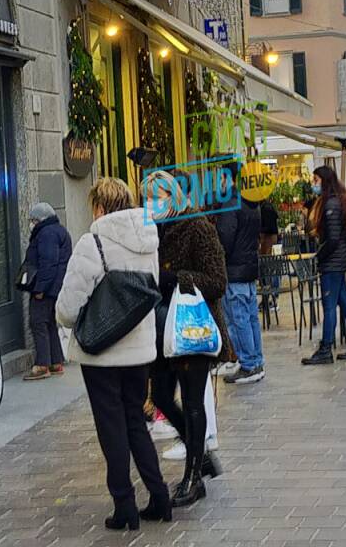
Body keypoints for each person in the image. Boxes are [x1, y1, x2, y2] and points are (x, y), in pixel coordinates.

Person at [56, 178, 170, 530]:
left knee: (112, 428)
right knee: (136, 421)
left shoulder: (93, 242)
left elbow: (68, 306)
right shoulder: (148, 241)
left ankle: (125, 506)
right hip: (140, 351)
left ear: (99, 208)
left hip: (103, 353)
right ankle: (160, 496)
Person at [144, 169, 233, 508]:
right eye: (148, 197)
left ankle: (193, 477)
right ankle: (202, 457)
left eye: (157, 196)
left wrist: (172, 278)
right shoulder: (153, 230)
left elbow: (217, 281)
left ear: (173, 197)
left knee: (194, 402)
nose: (151, 204)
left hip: (194, 328)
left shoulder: (197, 227)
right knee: (163, 397)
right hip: (164, 331)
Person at [301, 165, 346, 365]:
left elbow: (331, 238)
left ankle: (325, 348)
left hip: (332, 262)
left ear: (324, 180)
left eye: (316, 180)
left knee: (329, 306)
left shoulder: (331, 204)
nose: (313, 184)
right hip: (340, 260)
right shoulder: (340, 200)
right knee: (344, 302)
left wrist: (319, 256)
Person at [215, 166, 265, 385]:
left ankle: (248, 365)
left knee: (238, 319)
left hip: (234, 270)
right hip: (249, 269)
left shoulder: (230, 204)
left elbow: (224, 238)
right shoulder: (252, 203)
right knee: (251, 317)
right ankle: (255, 360)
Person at [22, 202, 72, 380]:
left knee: (38, 322)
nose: (31, 224)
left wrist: (40, 289)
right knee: (50, 323)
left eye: (33, 220)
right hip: (57, 286)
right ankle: (55, 361)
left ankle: (42, 364)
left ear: (40, 219)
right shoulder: (58, 230)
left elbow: (48, 263)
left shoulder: (46, 233)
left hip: (47, 288)